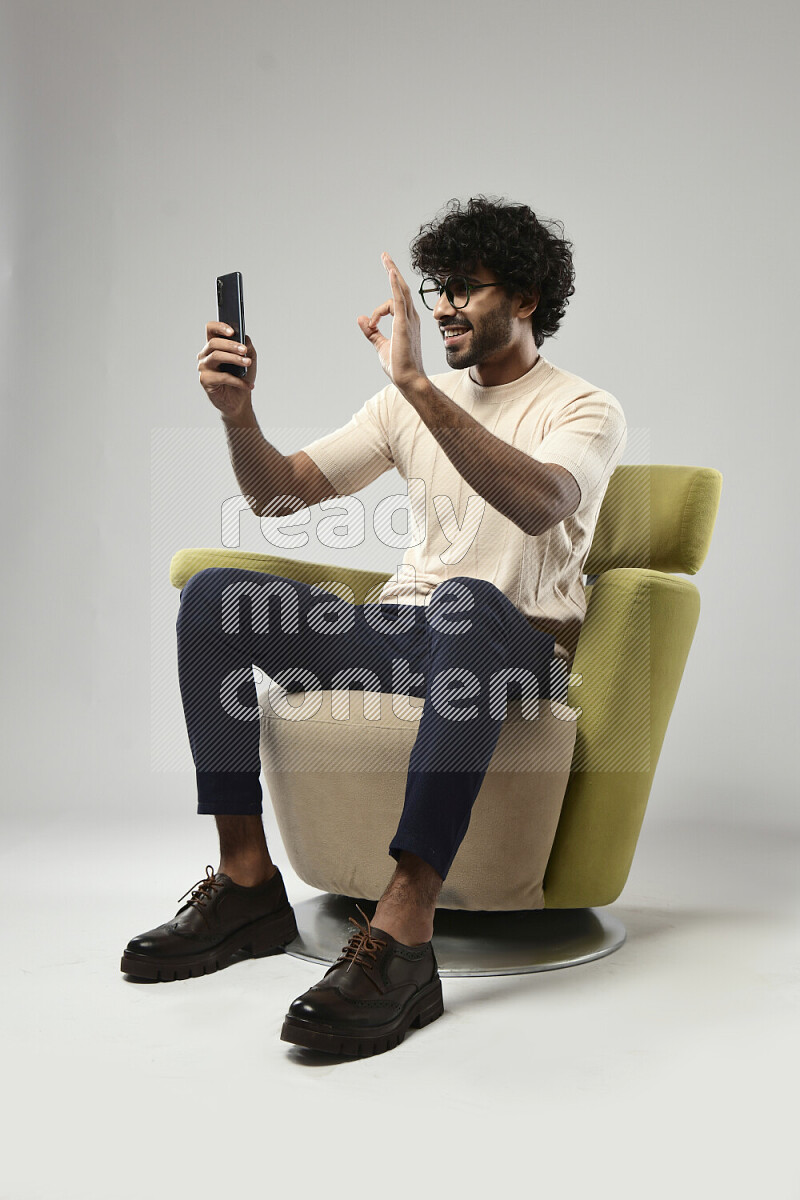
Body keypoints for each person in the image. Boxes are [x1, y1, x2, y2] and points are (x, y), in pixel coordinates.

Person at [121, 195, 628, 1058]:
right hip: (404, 636)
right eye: (436, 288)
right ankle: (246, 883)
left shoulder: (583, 409)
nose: (439, 307)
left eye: (465, 288)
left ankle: (401, 937)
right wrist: (239, 415)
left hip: (512, 649)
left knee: (465, 603)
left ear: (529, 298)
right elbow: (278, 494)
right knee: (213, 596)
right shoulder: (403, 408)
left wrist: (417, 384)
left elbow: (540, 503)